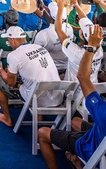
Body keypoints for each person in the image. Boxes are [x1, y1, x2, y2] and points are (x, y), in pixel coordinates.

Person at [39, 24, 106, 169]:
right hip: (100, 135)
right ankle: (77, 161)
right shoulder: (100, 53)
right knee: (76, 121)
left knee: (42, 133)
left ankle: (78, 157)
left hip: (92, 148)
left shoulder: (103, 110)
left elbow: (82, 77)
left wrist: (91, 47)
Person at [0, 26, 63, 127]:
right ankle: (39, 117)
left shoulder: (14, 55)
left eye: (9, 41)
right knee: (39, 78)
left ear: (13, 40)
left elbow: (11, 82)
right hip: (57, 96)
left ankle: (7, 118)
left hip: (36, 98)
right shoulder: (40, 47)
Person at [55, 0, 103, 82]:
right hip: (93, 89)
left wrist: (60, 8)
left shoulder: (76, 52)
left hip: (73, 93)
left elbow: (58, 29)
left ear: (82, 35)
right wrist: (76, 4)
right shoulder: (99, 49)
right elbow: (85, 19)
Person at [34, 2, 74, 74]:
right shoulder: (70, 28)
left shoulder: (43, 35)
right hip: (66, 68)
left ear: (51, 16)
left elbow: (35, 58)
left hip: (49, 70)